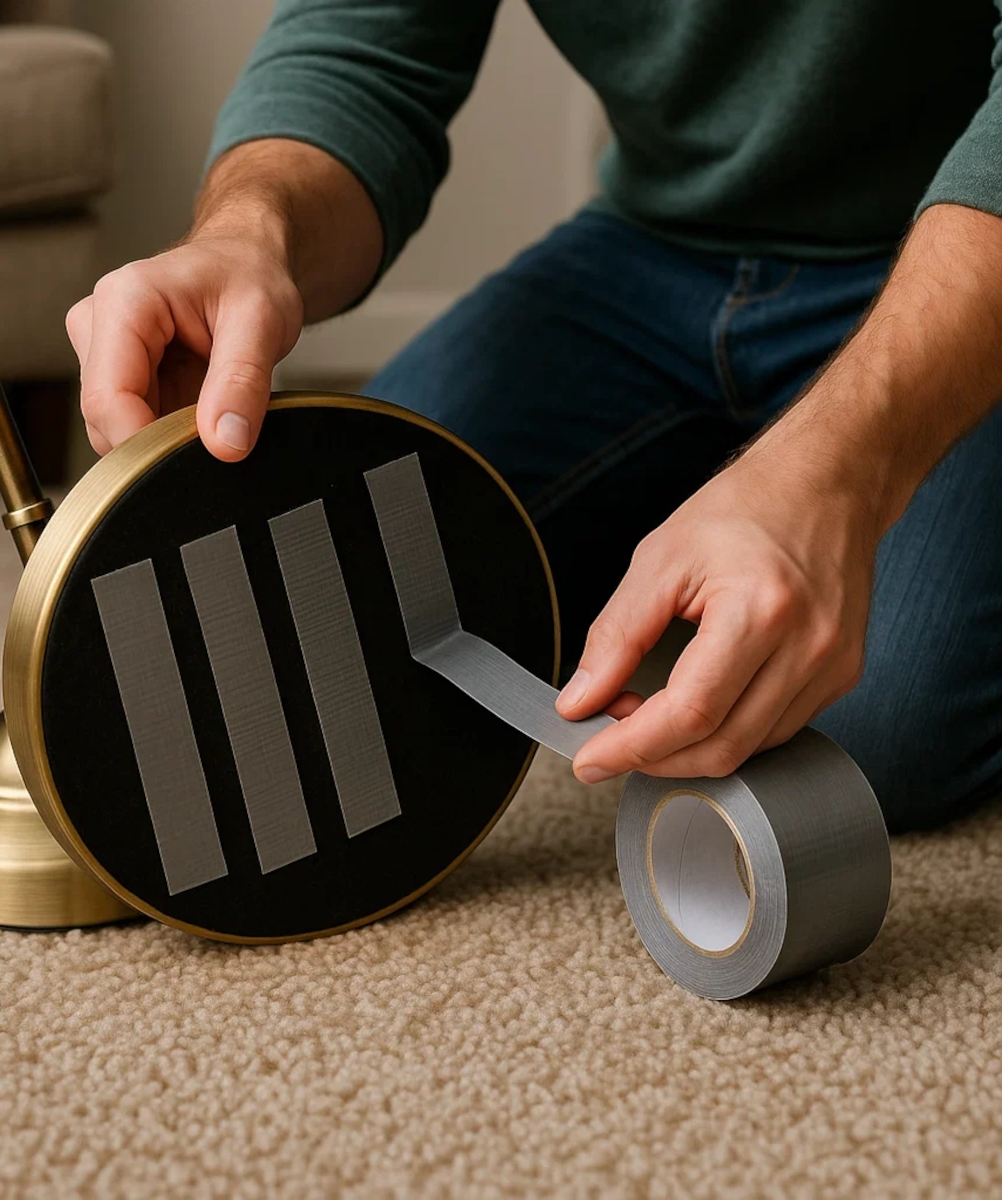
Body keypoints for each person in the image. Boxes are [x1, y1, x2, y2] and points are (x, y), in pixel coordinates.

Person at [65, 1, 1002, 833]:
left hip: (947, 257)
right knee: (326, 574)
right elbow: (361, 48)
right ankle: (710, 514)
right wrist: (247, 233)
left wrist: (829, 474)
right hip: (651, 251)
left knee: (866, 731)